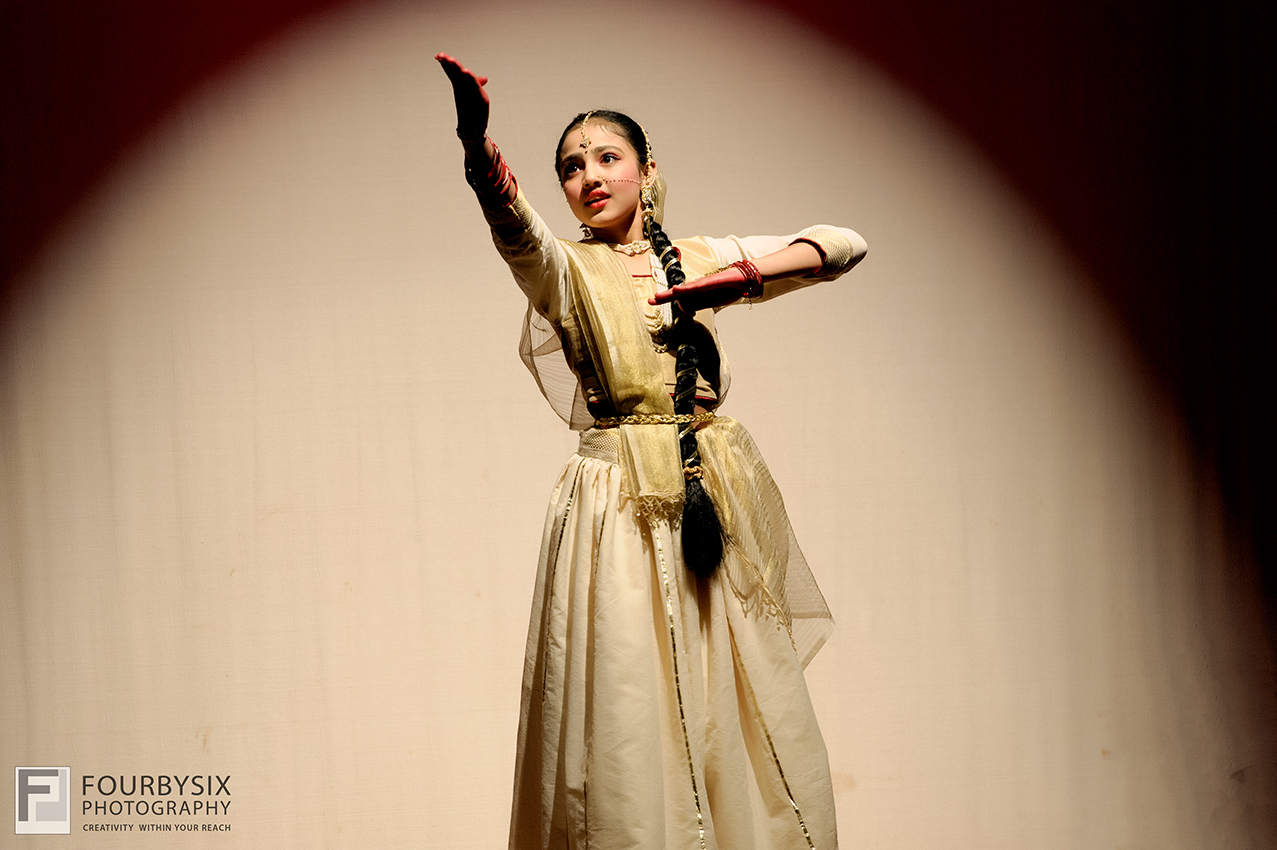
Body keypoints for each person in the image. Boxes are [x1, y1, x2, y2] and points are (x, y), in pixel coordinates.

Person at [437, 53, 867, 850]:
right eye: (571, 167)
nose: (589, 176)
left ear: (647, 171)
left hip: (710, 494)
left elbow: (843, 245)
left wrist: (737, 280)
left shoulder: (700, 257)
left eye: (607, 157)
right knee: (629, 699)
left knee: (734, 694)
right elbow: (516, 230)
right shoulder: (567, 270)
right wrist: (476, 150)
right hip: (618, 505)